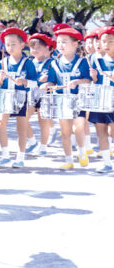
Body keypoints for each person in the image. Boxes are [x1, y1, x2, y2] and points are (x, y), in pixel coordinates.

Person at [42, 27, 91, 169]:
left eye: (64, 42)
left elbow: (88, 80)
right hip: (61, 101)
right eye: (58, 42)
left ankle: (82, 152)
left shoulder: (82, 62)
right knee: (65, 131)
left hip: (78, 100)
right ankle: (68, 159)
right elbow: (52, 82)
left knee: (78, 128)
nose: (60, 45)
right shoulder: (54, 64)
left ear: (75, 44)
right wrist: (47, 85)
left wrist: (77, 82)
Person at [0, 28, 38, 168]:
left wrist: (25, 82)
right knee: (0, 123)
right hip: (5, 95)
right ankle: (5, 155)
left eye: (14, 44)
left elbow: (35, 83)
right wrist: (0, 81)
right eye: (7, 44)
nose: (10, 47)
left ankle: (20, 157)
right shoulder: (1, 63)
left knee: (22, 127)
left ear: (22, 45)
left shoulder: (28, 63)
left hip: (21, 96)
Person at [89, 27, 114, 172]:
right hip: (99, 98)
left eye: (111, 41)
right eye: (104, 41)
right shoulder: (94, 58)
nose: (106, 44)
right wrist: (92, 77)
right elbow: (90, 80)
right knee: (101, 131)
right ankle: (106, 162)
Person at [25, 33, 55, 156]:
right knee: (22, 118)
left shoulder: (52, 62)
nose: (35, 50)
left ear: (47, 48)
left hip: (45, 95)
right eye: (32, 47)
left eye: (38, 47)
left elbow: (56, 79)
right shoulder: (28, 62)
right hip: (31, 94)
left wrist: (48, 80)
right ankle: (32, 141)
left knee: (43, 121)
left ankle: (43, 146)